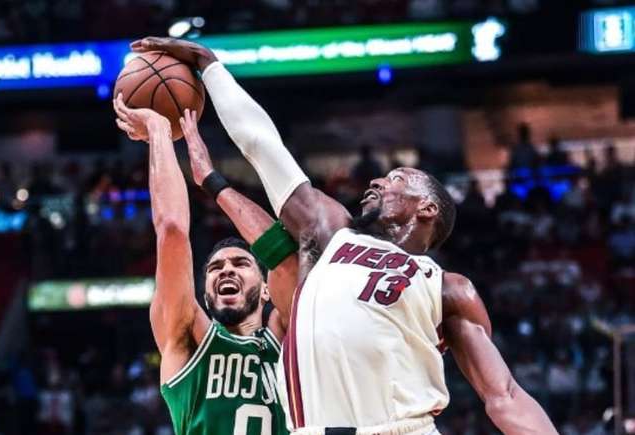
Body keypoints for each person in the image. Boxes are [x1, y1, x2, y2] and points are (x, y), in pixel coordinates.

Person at [132, 37, 559, 435]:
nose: (378, 180)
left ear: (427, 208)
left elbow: (504, 396)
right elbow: (264, 147)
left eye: (397, 178)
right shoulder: (331, 235)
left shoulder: (448, 287)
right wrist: (211, 68)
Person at [112, 95, 298, 434]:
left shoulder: (286, 337)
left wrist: (212, 180)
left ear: (268, 288)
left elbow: (285, 257)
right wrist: (158, 130)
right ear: (207, 297)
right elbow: (171, 230)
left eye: (241, 263)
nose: (226, 269)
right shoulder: (187, 337)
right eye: (214, 268)